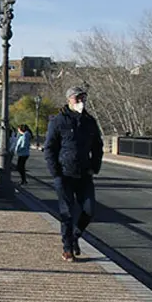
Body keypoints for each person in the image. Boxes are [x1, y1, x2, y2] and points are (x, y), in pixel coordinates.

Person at [44, 86, 103, 262]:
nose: (81, 102)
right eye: (77, 98)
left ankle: (75, 236)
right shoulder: (59, 121)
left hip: (84, 173)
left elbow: (97, 146)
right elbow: (49, 148)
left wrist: (95, 166)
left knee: (89, 210)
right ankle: (67, 247)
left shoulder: (89, 121)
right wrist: (55, 172)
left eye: (83, 98)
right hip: (64, 174)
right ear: (69, 99)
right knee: (67, 212)